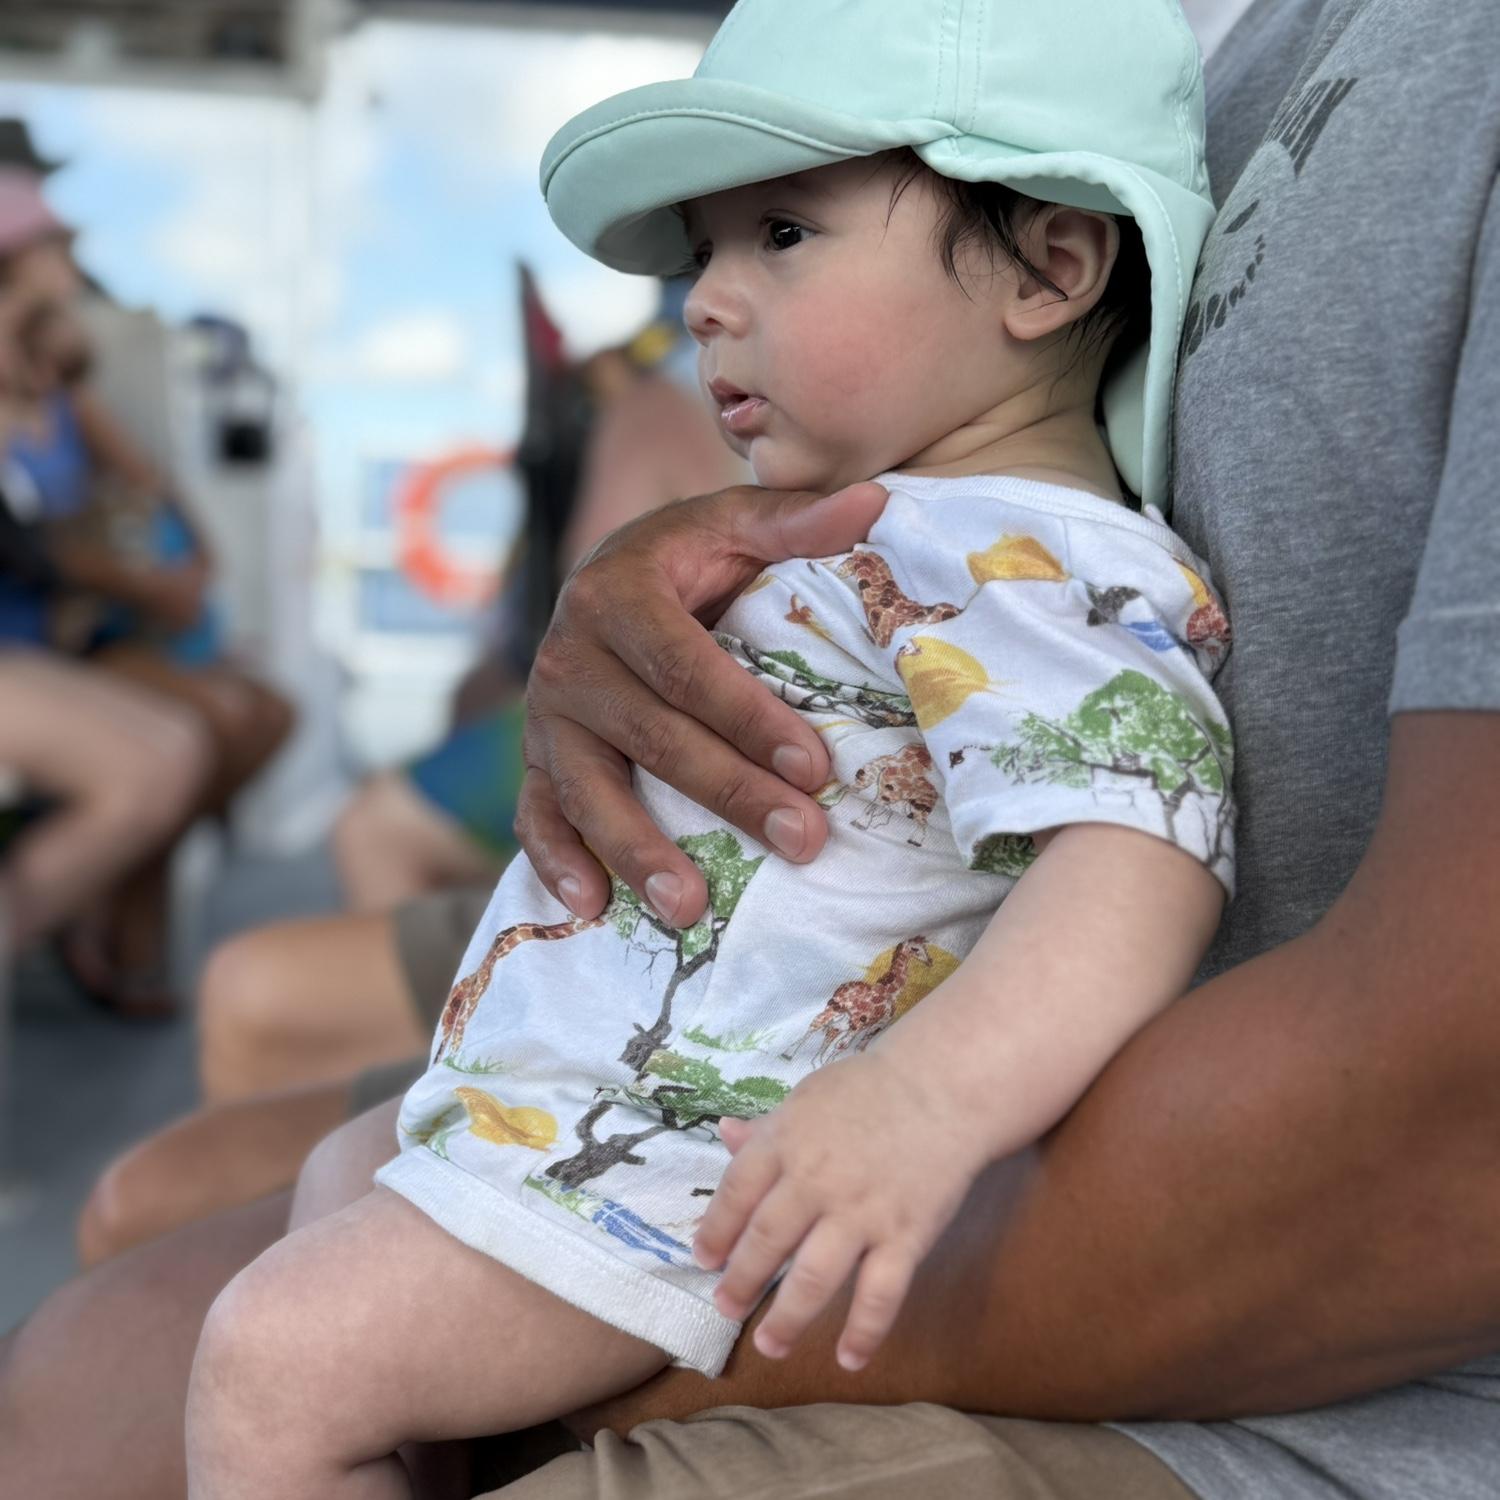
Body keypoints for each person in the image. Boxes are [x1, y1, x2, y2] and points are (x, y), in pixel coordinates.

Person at [1, 1, 1496, 1497]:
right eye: (706, 249)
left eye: (782, 233)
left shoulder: (1040, 568)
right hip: (630, 1077)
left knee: (274, 1361)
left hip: (722, 1141)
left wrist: (924, 1107)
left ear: (1050, 266)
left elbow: (1138, 860)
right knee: (323, 1199)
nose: (707, 298)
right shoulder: (919, 521)